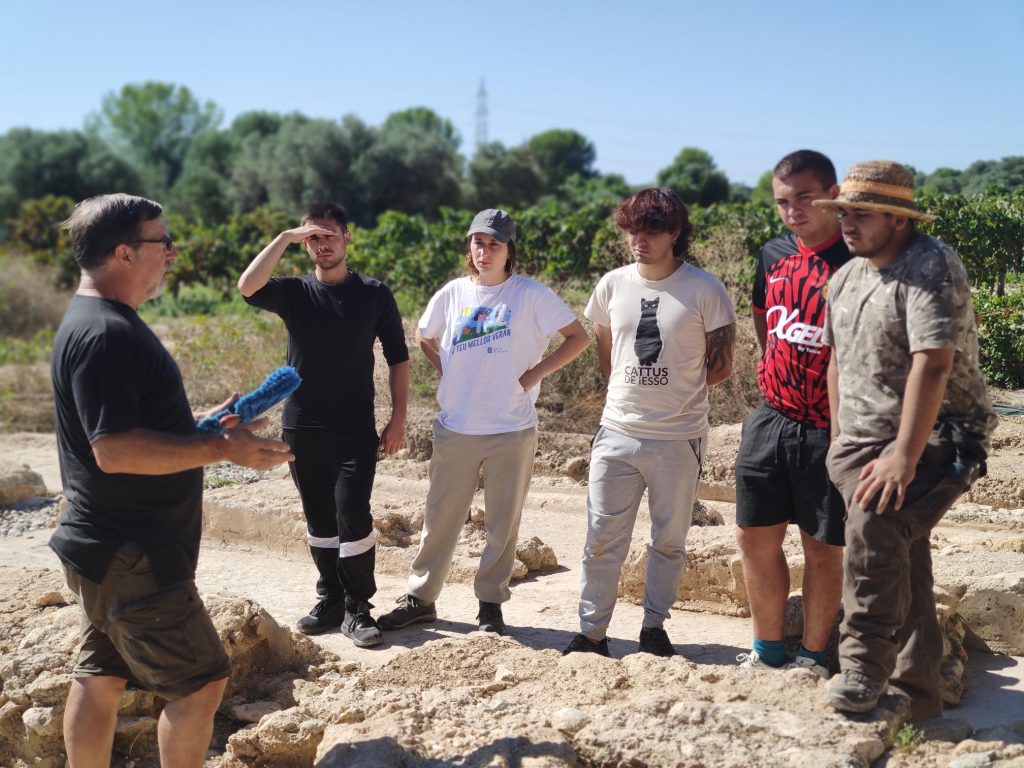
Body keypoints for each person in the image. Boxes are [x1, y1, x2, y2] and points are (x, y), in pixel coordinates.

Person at [50, 194, 294, 768]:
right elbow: (113, 449)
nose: (173, 253)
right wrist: (221, 448)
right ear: (124, 253)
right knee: (200, 684)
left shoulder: (96, 321)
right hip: (133, 554)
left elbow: (125, 424)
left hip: (104, 546)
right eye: (162, 242)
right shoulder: (107, 335)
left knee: (101, 675)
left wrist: (203, 422)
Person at [816, 161, 997, 720]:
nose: (847, 224)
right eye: (843, 213)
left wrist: (903, 456)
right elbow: (836, 361)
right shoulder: (846, 277)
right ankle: (917, 695)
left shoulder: (931, 265)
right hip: (858, 442)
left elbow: (934, 364)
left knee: (877, 522)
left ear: (898, 219)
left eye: (861, 214)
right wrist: (838, 438)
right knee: (901, 553)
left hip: (942, 435)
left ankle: (862, 667)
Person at [377, 209, 588, 635]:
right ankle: (420, 598)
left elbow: (578, 337)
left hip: (511, 428)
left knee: (502, 523)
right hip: (457, 426)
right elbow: (424, 335)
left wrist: (533, 375)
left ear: (509, 250)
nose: (484, 251)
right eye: (478, 243)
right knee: (440, 518)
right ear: (469, 247)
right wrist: (448, 370)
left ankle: (490, 605)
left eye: (494, 244)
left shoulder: (530, 295)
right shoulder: (453, 293)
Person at [563, 188, 736, 658]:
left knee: (669, 540)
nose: (639, 240)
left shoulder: (705, 289)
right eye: (633, 230)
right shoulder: (611, 285)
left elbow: (721, 366)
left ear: (675, 233)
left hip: (679, 437)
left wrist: (675, 389)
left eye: (652, 231)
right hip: (617, 431)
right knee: (601, 539)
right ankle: (592, 633)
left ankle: (654, 627)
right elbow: (609, 356)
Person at [238, 202, 409, 647]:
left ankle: (358, 607)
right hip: (302, 427)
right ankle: (330, 598)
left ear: (347, 238)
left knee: (352, 513)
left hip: (354, 428)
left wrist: (398, 418)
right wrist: (284, 238)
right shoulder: (294, 292)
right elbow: (247, 286)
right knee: (318, 517)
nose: (322, 244)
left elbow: (398, 357)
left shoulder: (373, 294)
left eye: (330, 235)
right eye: (313, 237)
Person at [734, 150, 851, 677]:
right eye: (783, 201)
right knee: (754, 537)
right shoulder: (773, 253)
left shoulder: (858, 260)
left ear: (833, 195)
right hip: (772, 416)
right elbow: (763, 315)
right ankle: (766, 651)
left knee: (823, 546)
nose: (793, 210)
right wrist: (775, 366)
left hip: (832, 425)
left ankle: (812, 656)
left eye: (805, 197)